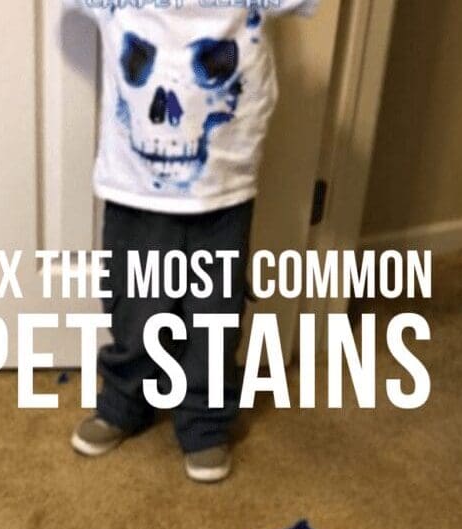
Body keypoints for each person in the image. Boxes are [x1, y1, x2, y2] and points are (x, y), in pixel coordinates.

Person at [66, 0, 319, 483]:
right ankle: (125, 401)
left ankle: (204, 420)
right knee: (134, 306)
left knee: (215, 314)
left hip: (224, 183)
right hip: (134, 183)